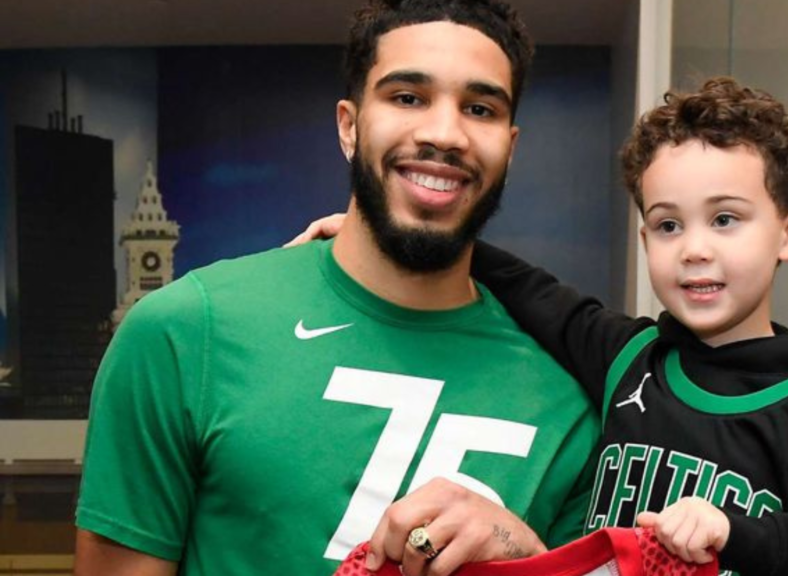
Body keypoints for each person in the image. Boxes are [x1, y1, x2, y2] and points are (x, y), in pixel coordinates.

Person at [298, 77, 788, 576]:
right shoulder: (630, 356)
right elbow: (532, 290)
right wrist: (379, 239)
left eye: (725, 220)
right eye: (669, 226)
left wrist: (736, 533)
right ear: (645, 239)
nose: (694, 249)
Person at [72, 1, 600, 575]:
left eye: (479, 108)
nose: (445, 134)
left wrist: (527, 555)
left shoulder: (569, 401)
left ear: (510, 148)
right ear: (349, 126)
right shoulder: (183, 333)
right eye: (407, 97)